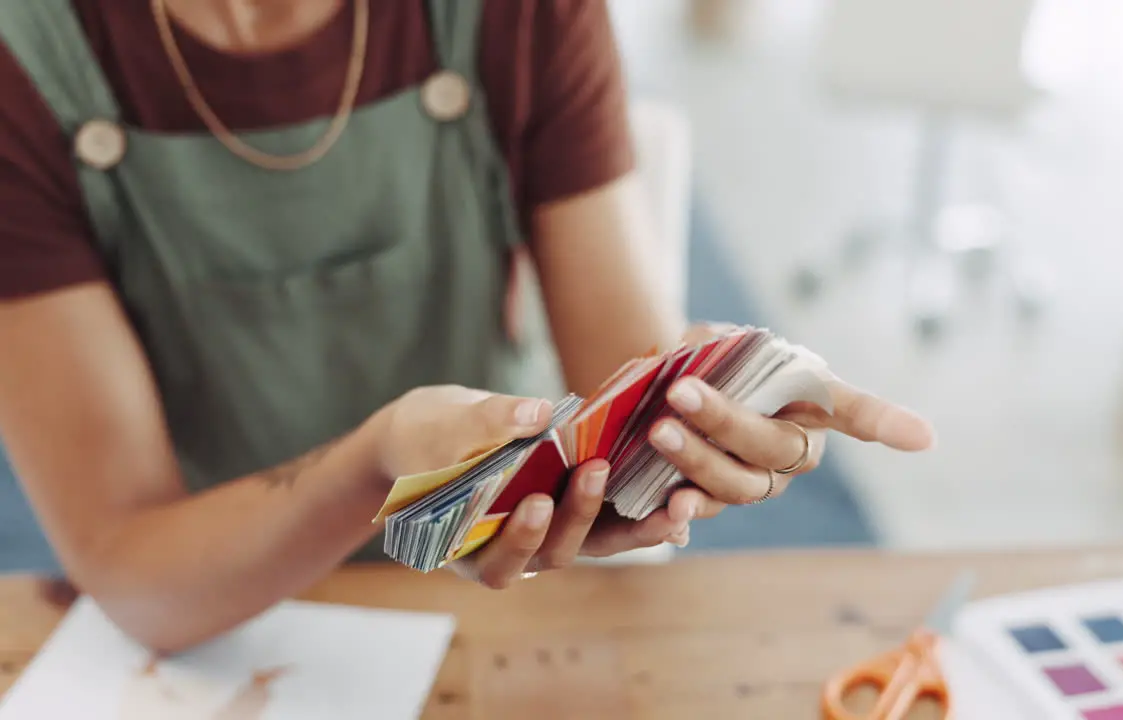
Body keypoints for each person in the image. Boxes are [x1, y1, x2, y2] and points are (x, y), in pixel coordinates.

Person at [0, 0, 934, 653]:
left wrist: (717, 403)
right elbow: (138, 574)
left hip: (506, 565)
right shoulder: (23, 59)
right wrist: (380, 462)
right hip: (224, 580)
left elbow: (633, 377)